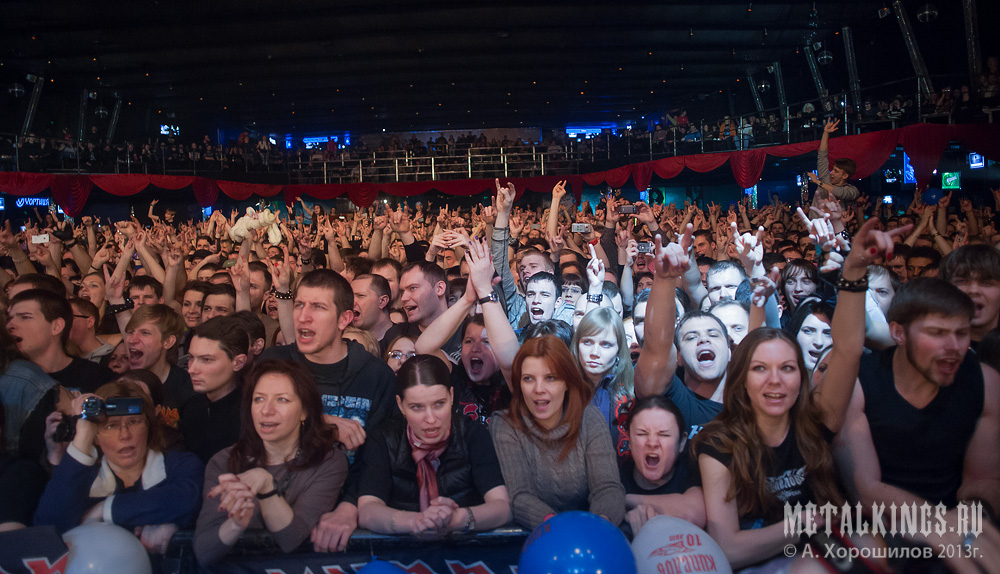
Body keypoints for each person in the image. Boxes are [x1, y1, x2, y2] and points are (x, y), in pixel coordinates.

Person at [692, 219, 895, 571]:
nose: (775, 381)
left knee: (874, 546)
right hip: (762, 563)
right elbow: (729, 548)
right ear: (741, 380)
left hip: (825, 553)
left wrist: (854, 269)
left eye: (787, 368)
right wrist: (807, 523)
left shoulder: (816, 421)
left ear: (801, 377)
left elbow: (847, 349)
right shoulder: (718, 444)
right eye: (760, 369)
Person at [835, 277, 1000, 574]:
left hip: (961, 518)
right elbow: (867, 489)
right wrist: (940, 524)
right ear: (898, 332)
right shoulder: (860, 384)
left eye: (961, 333)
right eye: (937, 333)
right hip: (879, 525)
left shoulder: (985, 382)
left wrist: (971, 518)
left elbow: (983, 479)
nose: (954, 347)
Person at [194, 360, 348, 565]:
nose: (266, 410)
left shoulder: (327, 462)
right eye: (258, 399)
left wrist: (266, 486)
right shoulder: (225, 461)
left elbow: (290, 539)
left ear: (304, 412)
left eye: (282, 400)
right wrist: (236, 524)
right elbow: (203, 551)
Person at [34, 380, 203, 553]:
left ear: (149, 426)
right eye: (111, 425)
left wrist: (104, 509)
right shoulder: (81, 479)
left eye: (134, 421)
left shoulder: (180, 464)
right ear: (96, 437)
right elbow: (49, 528)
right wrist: (83, 435)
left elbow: (188, 500)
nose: (124, 435)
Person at [356, 355, 510, 537]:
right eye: (417, 407)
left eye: (439, 404)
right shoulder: (383, 439)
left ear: (451, 396)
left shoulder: (472, 433)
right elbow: (367, 510)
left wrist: (459, 518)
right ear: (400, 405)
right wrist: (415, 522)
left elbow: (502, 507)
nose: (430, 419)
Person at [490, 335, 625, 529]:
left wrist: (598, 526)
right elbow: (520, 497)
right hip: (535, 538)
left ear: (567, 383)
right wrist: (560, 529)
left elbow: (608, 488)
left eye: (550, 378)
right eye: (528, 379)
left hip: (591, 532)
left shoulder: (590, 418)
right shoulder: (505, 424)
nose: (538, 389)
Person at [621, 396, 705, 534]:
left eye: (664, 435)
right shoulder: (615, 477)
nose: (652, 443)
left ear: (682, 442)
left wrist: (623, 499)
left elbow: (693, 514)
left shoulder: (691, 470)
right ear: (629, 440)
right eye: (642, 434)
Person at [7, 289, 115, 395]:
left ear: (56, 326)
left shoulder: (99, 378)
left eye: (25, 317)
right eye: (9, 318)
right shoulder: (7, 378)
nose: (10, 326)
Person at [180, 317, 249, 464]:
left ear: (238, 362)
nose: (192, 369)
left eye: (206, 360)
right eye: (191, 358)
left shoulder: (253, 413)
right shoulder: (191, 407)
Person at [571, 307, 634, 460]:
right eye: (587, 342)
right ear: (577, 345)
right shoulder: (563, 390)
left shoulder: (632, 393)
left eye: (606, 344)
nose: (594, 352)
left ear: (619, 350)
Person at [808, 118, 858, 202]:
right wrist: (826, 133)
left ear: (845, 176)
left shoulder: (852, 191)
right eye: (833, 169)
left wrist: (818, 182)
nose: (832, 173)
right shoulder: (826, 179)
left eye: (836, 171)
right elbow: (822, 156)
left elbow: (840, 193)